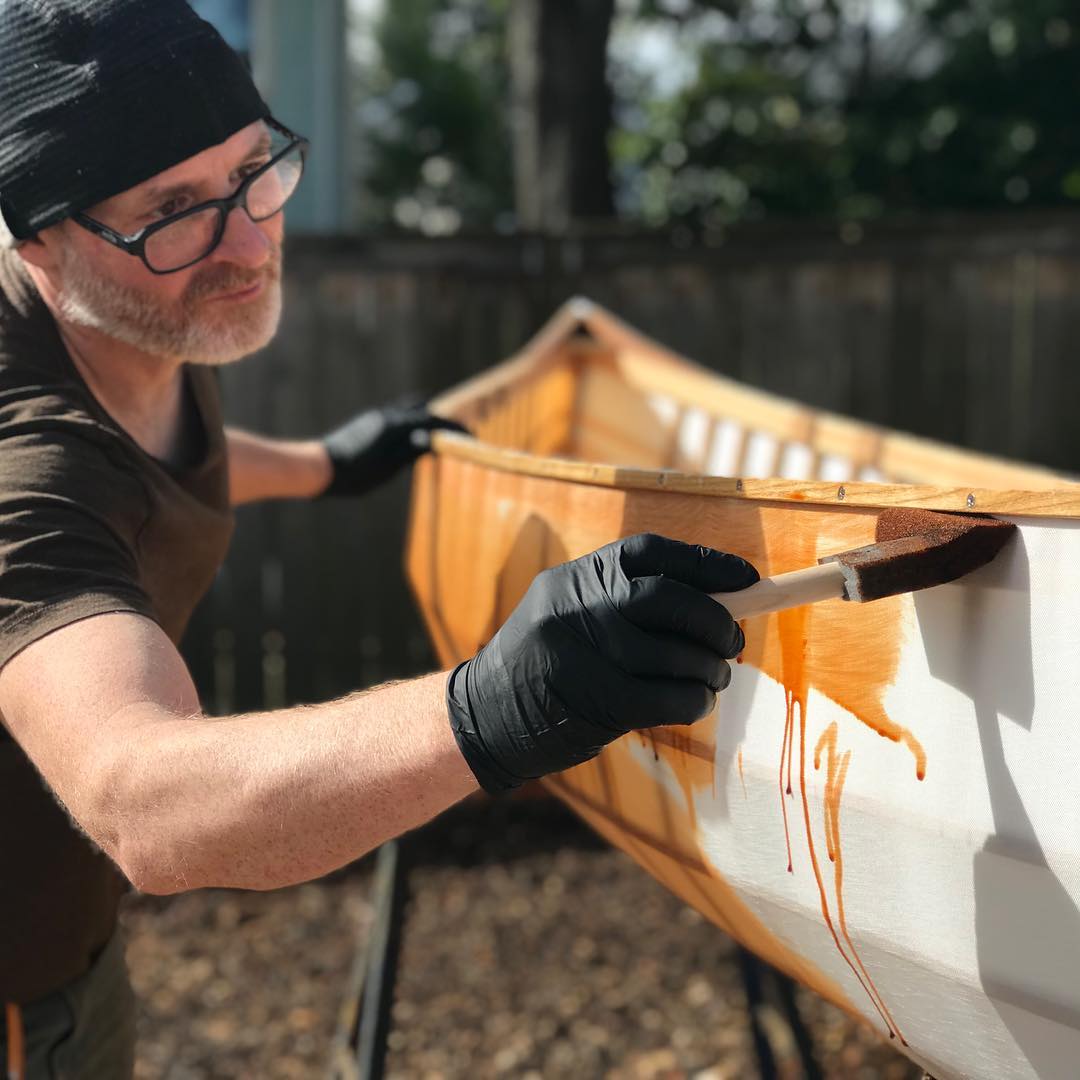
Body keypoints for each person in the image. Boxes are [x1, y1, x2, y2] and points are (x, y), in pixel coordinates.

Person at [0, 1, 760, 1076]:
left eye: (255, 168)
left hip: (71, 954)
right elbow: (141, 802)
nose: (252, 240)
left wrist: (327, 463)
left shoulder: (125, 317)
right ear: (39, 238)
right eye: (175, 211)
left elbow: (159, 466)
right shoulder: (26, 472)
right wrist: (490, 711)